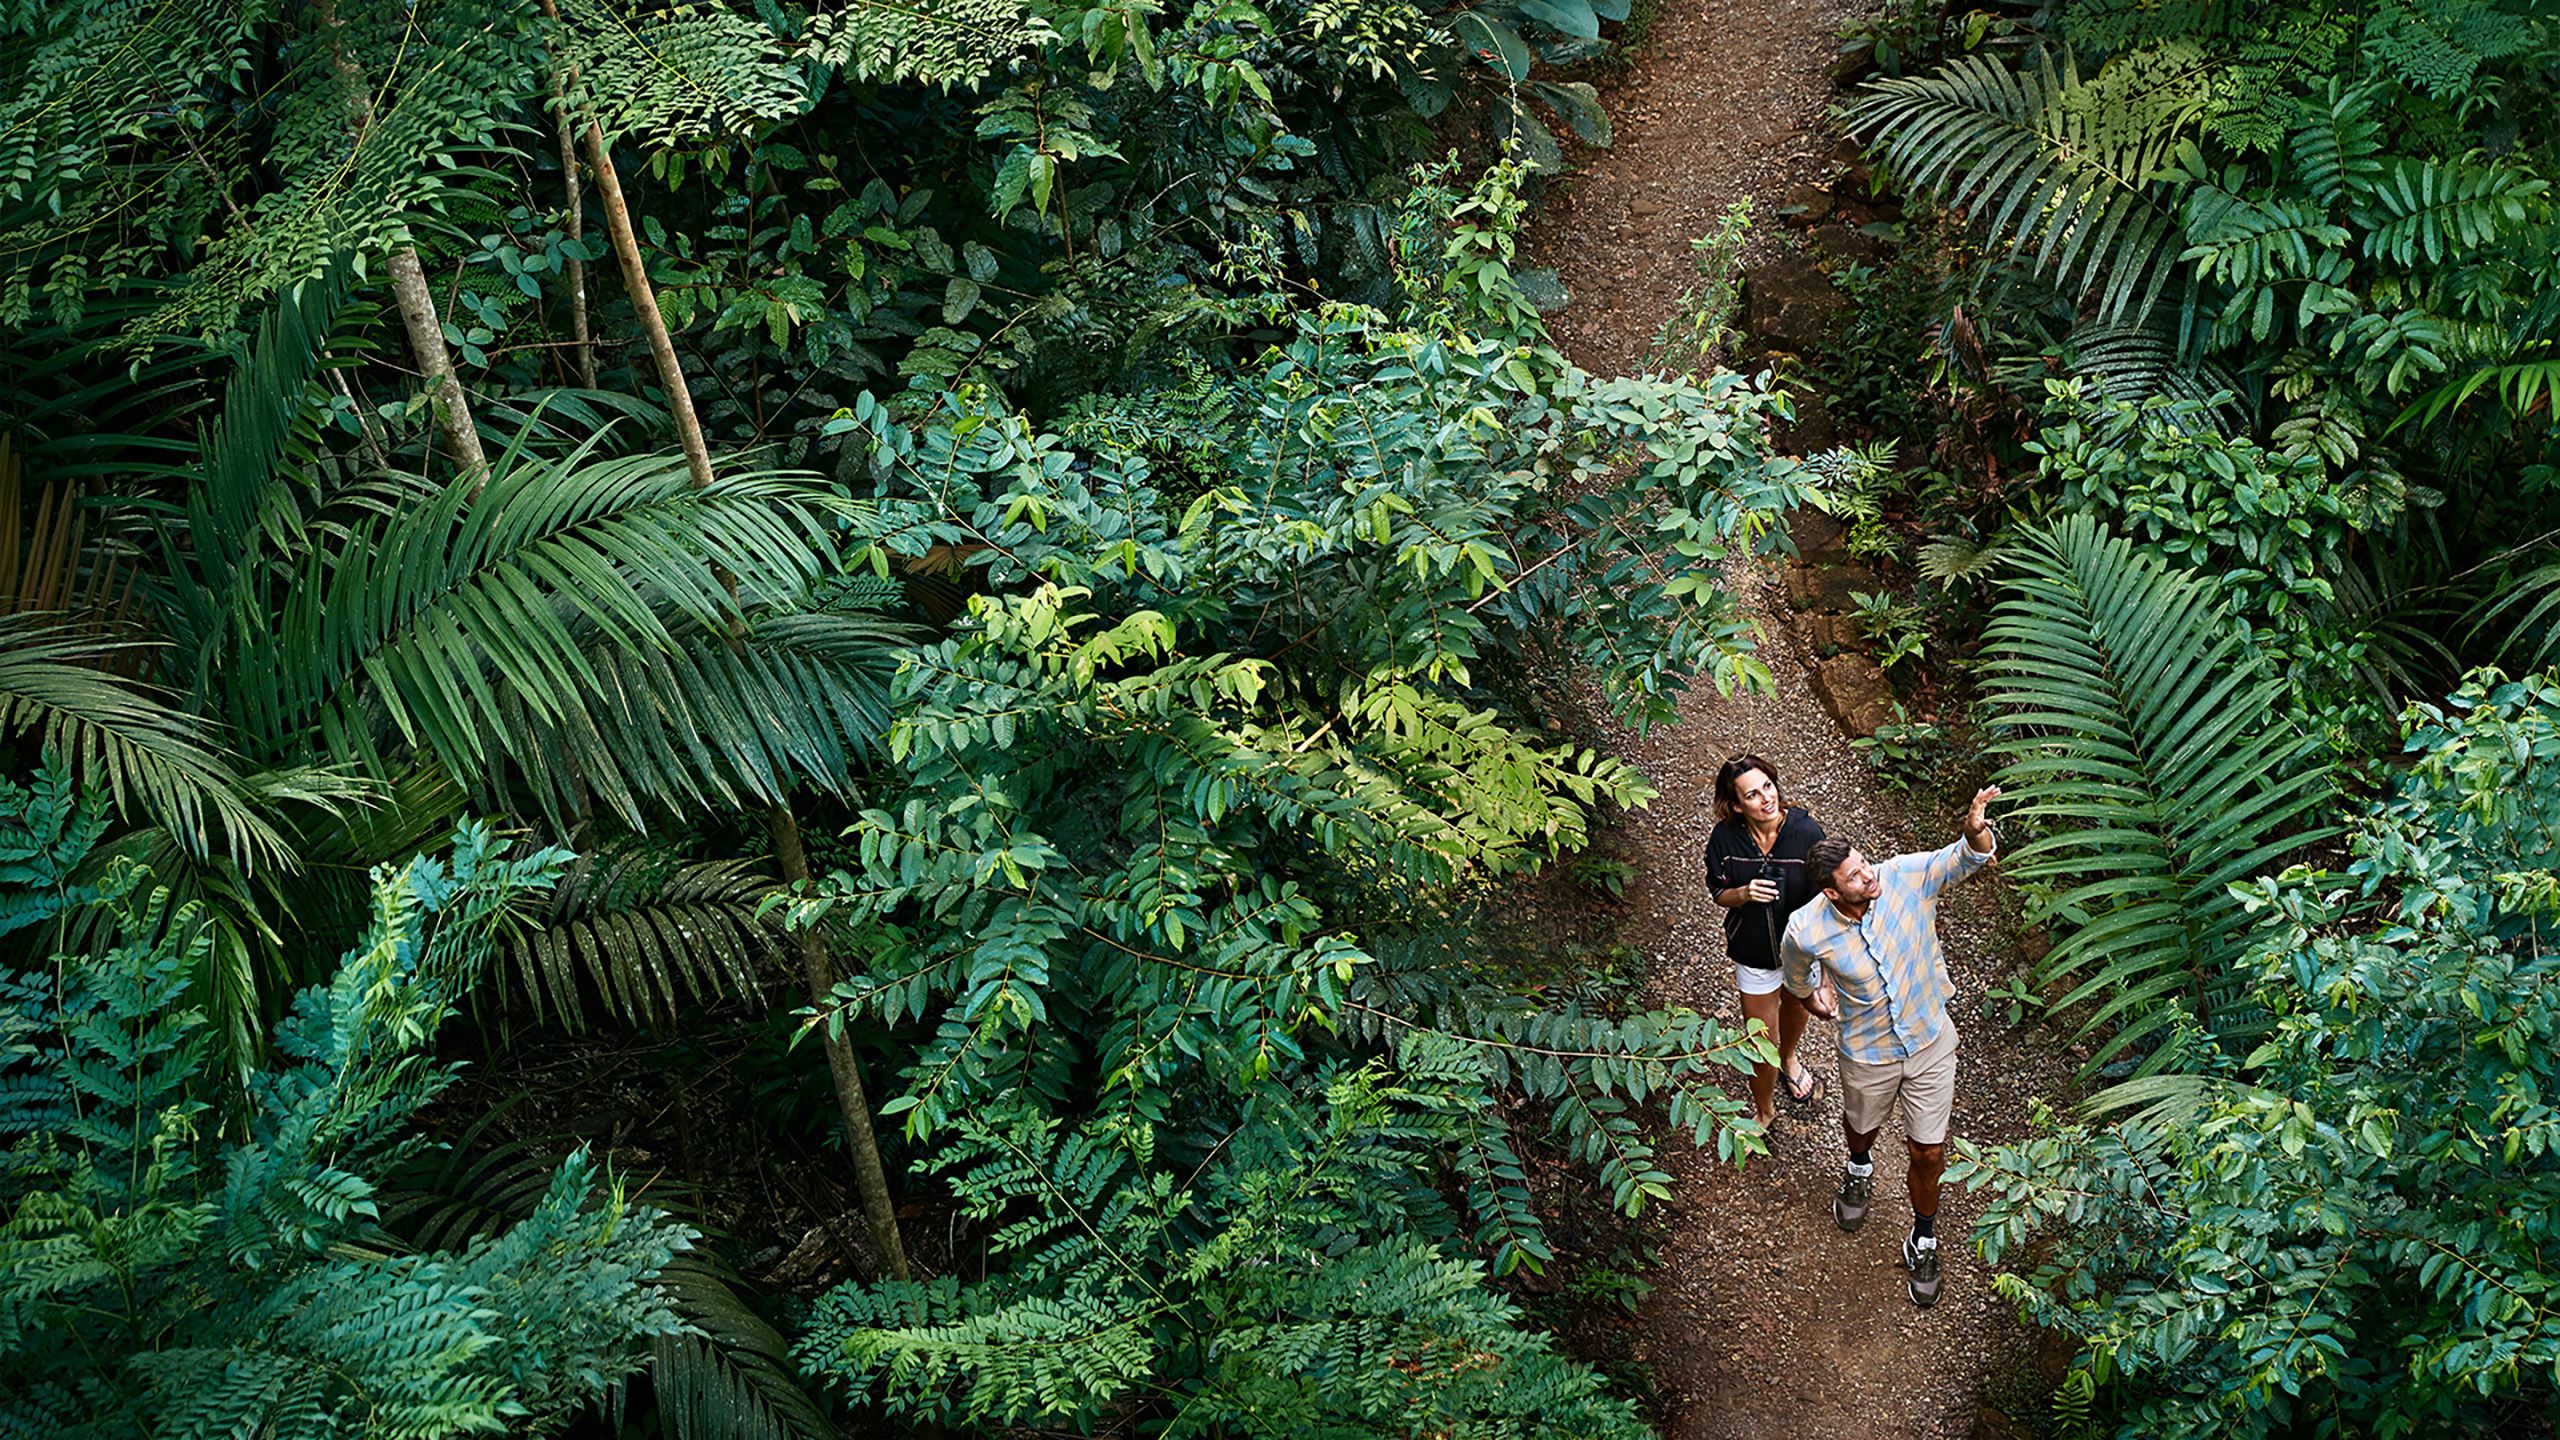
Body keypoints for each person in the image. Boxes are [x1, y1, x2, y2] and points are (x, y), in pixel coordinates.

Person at [1782, 785, 1999, 1310]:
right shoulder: (1807, 929)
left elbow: (1965, 857)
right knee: (1863, 1127)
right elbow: (1795, 976)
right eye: (1855, 876)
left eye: (1864, 863)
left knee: (1928, 1151)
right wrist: (1815, 999)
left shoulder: (1902, 877)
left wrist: (1974, 832)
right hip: (1867, 1052)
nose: (1868, 875)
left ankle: (1923, 1235)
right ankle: (1858, 1167)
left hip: (1929, 1042)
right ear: (1832, 893)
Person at [1704, 754, 1827, 1126]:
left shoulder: (1806, 833)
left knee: (1795, 1006)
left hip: (1801, 952)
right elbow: (1718, 892)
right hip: (1753, 953)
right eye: (1752, 795)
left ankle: (1790, 1058)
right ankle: (1765, 1110)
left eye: (1768, 787)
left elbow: (1826, 897)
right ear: (1737, 805)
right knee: (1760, 1042)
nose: (1766, 799)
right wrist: (1742, 893)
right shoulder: (1724, 839)